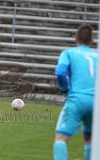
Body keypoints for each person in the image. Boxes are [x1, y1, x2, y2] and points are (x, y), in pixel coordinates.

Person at [53, 24, 98, 160]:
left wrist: (65, 88)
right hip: (96, 102)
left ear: (75, 39)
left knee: (61, 139)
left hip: (77, 99)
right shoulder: (97, 56)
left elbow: (60, 72)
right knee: (89, 139)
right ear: (91, 40)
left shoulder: (68, 53)